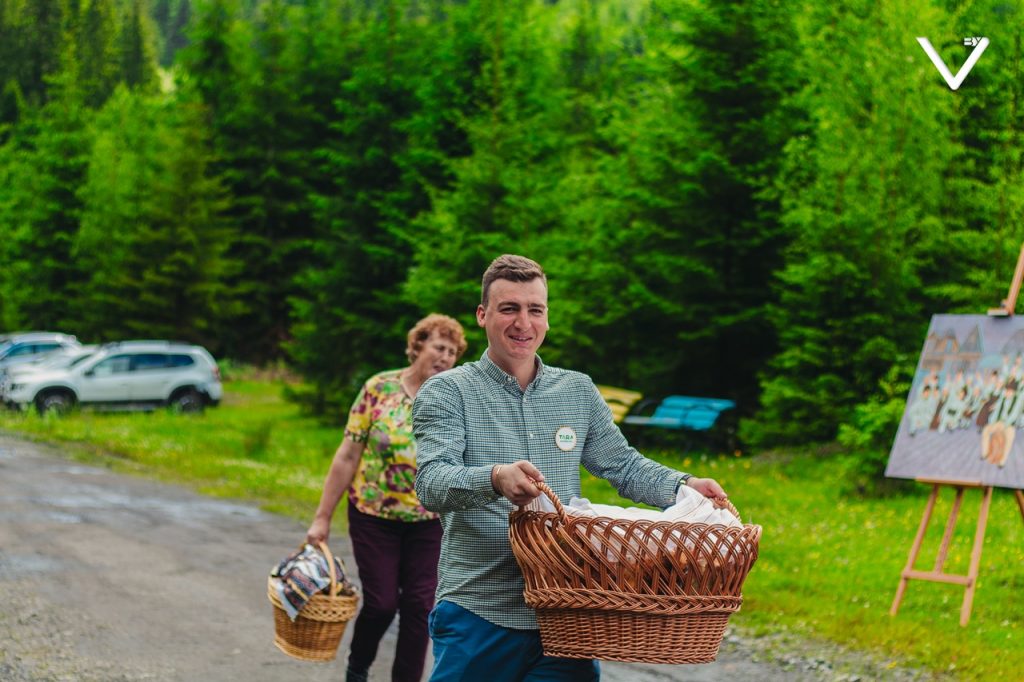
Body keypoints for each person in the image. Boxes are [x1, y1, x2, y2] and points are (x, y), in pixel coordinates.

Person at [412, 254, 729, 682]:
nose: (523, 322)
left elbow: (624, 466)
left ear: (546, 318)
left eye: (535, 309)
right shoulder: (448, 391)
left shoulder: (576, 390)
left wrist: (685, 485)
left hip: (569, 614)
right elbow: (432, 483)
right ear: (482, 315)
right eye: (509, 308)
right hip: (479, 610)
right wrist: (494, 478)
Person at [306, 314, 468, 682]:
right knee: (380, 604)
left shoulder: (456, 398)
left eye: (453, 352)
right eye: (439, 348)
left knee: (419, 608)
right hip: (372, 515)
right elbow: (347, 456)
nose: (445, 357)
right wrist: (322, 517)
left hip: (429, 521)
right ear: (417, 347)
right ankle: (358, 666)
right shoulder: (379, 389)